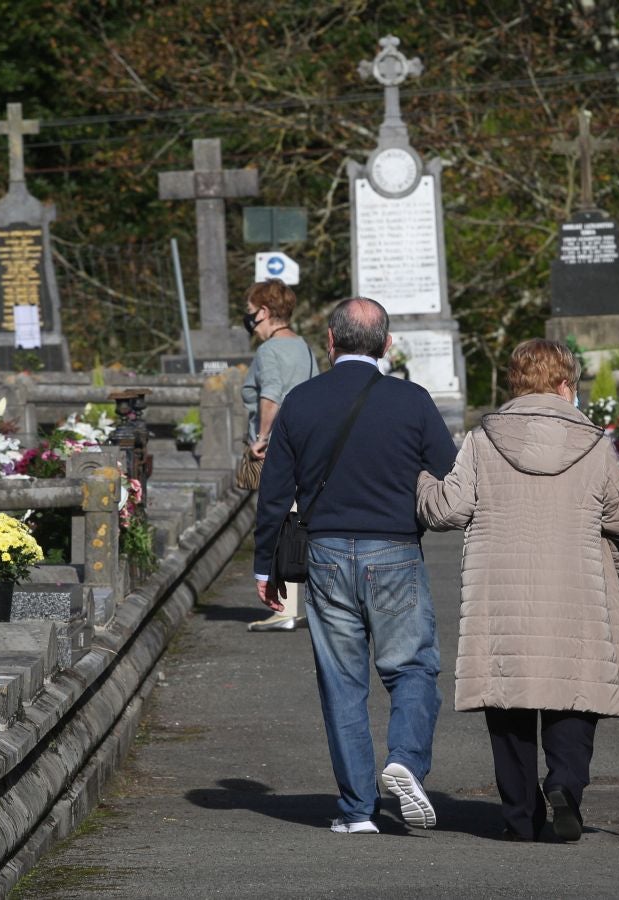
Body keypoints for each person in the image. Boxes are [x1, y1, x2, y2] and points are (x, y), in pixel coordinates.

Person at [416, 338, 619, 842]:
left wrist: (421, 481)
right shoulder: (595, 444)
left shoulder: (483, 439)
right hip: (576, 589)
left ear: (517, 383)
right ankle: (565, 785)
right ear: (564, 385)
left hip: (501, 594)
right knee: (574, 694)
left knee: (509, 703)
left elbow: (448, 510)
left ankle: (520, 816)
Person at [253, 297, 457, 835]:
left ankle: (357, 811)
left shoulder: (301, 401)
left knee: (342, 682)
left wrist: (264, 567)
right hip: (393, 549)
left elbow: (274, 491)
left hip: (323, 553)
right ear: (387, 344)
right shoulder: (411, 401)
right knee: (412, 667)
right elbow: (449, 472)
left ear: (330, 341)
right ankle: (406, 760)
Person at [241, 279, 318, 633]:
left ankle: (280, 603)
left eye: (250, 315)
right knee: (296, 518)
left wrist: (261, 437)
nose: (250, 323)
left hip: (278, 446)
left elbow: (270, 395)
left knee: (274, 519)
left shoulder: (268, 351)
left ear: (265, 312)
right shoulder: (304, 347)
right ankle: (294, 603)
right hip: (307, 443)